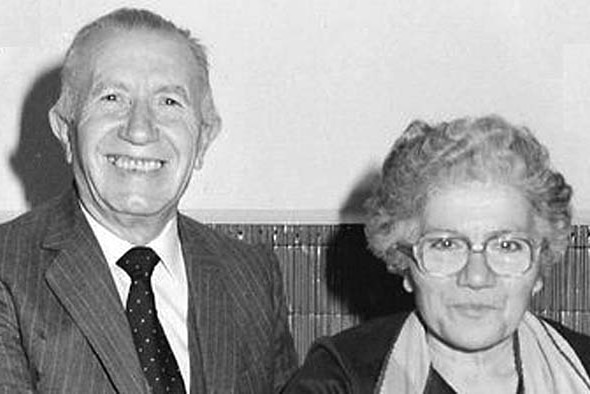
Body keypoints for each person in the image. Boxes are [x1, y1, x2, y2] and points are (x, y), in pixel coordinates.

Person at [0, 8, 297, 393]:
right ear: (64, 130)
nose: (139, 130)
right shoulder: (8, 269)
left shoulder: (252, 275)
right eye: (112, 98)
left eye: (169, 102)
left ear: (204, 137)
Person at [283, 115, 590, 393]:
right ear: (405, 264)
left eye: (507, 245)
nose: (477, 277)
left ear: (540, 266)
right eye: (445, 244)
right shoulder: (340, 380)